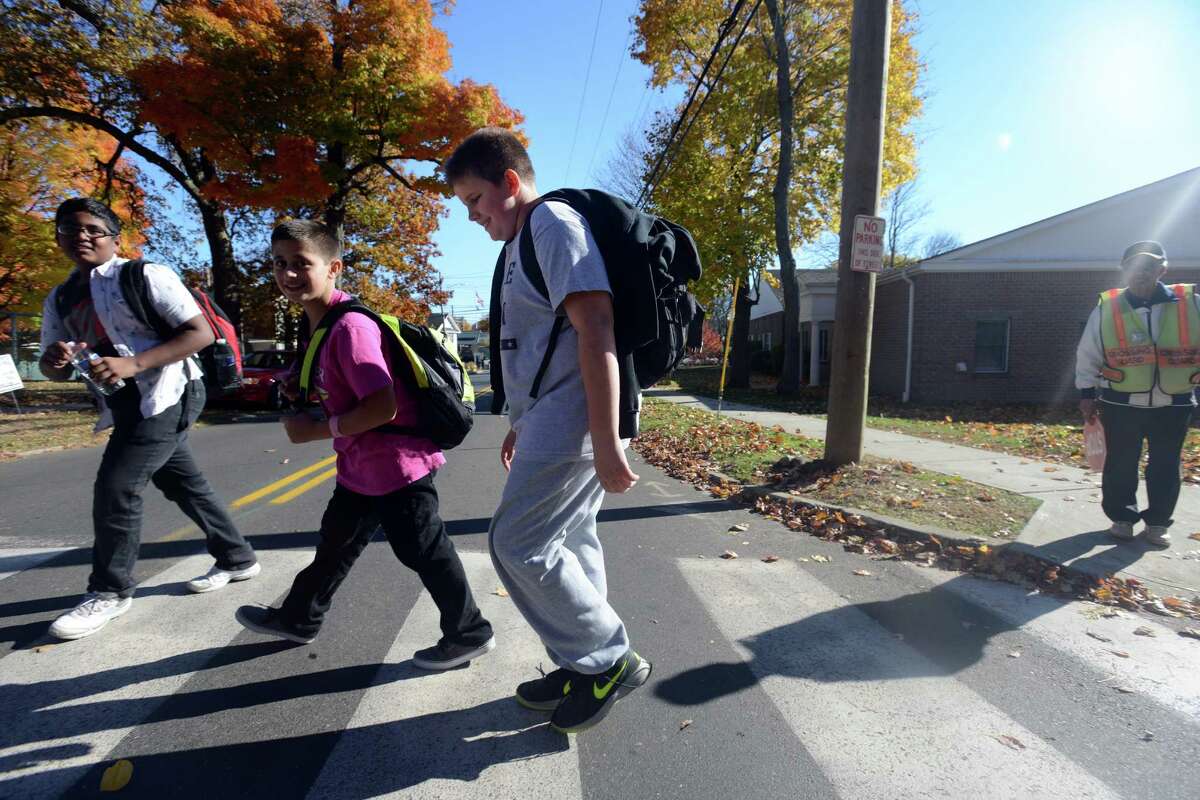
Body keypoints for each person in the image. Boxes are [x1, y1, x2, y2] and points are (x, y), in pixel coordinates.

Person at [445, 128, 651, 734]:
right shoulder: (518, 243)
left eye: (476, 200)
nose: (474, 216)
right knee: (569, 539)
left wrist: (608, 439)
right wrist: (520, 420)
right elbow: (538, 348)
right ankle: (578, 662)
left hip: (577, 419)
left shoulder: (553, 224)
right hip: (550, 417)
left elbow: (596, 332)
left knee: (517, 543)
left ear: (510, 183)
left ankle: (608, 658)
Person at [235, 220, 495, 669]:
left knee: (424, 551)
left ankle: (468, 632)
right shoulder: (320, 323)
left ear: (333, 267)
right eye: (279, 263)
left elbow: (382, 406)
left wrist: (314, 430)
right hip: (361, 468)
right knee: (334, 545)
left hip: (396, 467)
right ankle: (299, 618)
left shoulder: (350, 327)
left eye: (301, 263)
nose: (288, 274)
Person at [39, 198, 260, 641]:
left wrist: (133, 364)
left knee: (117, 486)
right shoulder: (61, 297)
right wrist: (55, 360)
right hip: (123, 401)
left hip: (170, 391)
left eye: (92, 229)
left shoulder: (143, 275)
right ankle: (238, 558)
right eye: (68, 229)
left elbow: (200, 332)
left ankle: (110, 590)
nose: (81, 236)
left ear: (114, 237)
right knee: (181, 481)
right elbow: (51, 366)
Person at [1076, 240, 1198, 548]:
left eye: (1147, 267)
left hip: (1174, 402)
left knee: (1166, 464)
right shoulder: (1108, 308)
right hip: (1121, 401)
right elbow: (1088, 353)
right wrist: (1086, 393)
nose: (1139, 273)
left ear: (1162, 269)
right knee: (1120, 462)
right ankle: (1122, 519)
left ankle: (1157, 523)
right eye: (1132, 267)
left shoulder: (1191, 305)